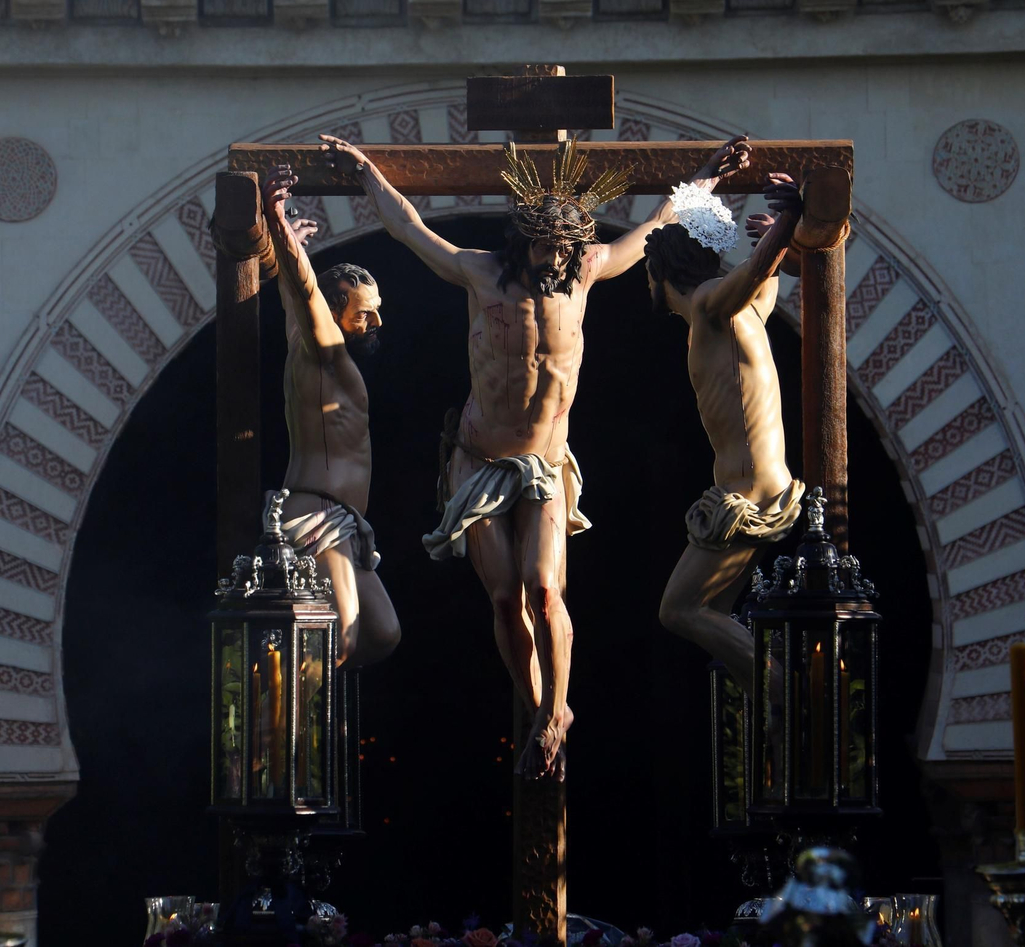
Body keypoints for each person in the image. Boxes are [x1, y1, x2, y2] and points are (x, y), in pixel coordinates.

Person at [319, 132, 750, 778]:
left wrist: (707, 177)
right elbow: (408, 228)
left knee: (546, 590)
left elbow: (659, 221)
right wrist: (363, 172)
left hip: (545, 463)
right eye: (547, 247)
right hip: (479, 461)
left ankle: (556, 712)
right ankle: (540, 711)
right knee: (504, 598)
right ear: (523, 242)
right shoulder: (480, 271)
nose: (557, 259)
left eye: (566, 248)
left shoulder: (587, 270)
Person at [644, 171, 809, 692]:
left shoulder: (711, 305)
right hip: (758, 484)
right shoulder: (745, 315)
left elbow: (752, 273)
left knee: (678, 610)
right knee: (712, 612)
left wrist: (789, 219)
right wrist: (776, 235)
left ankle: (786, 692)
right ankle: (771, 702)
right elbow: (762, 277)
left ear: (658, 270)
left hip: (749, 491)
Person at [261, 163, 401, 668]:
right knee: (343, 636)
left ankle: (293, 675)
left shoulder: (304, 340)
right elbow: (301, 289)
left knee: (383, 634)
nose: (377, 321)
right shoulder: (325, 349)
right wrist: (277, 223)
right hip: (318, 515)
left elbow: (290, 295)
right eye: (365, 312)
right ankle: (281, 732)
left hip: (343, 519)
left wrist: (288, 242)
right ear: (336, 313)